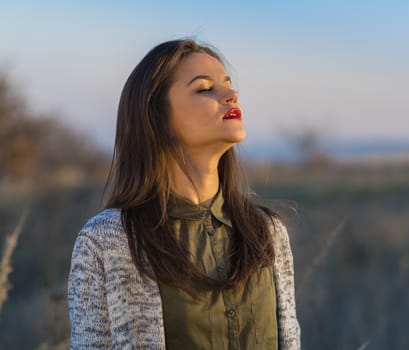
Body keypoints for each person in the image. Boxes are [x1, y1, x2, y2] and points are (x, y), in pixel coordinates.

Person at [67, 39, 301, 349]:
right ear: (157, 117)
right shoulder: (107, 241)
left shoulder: (268, 233)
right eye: (205, 89)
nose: (232, 95)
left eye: (228, 85)